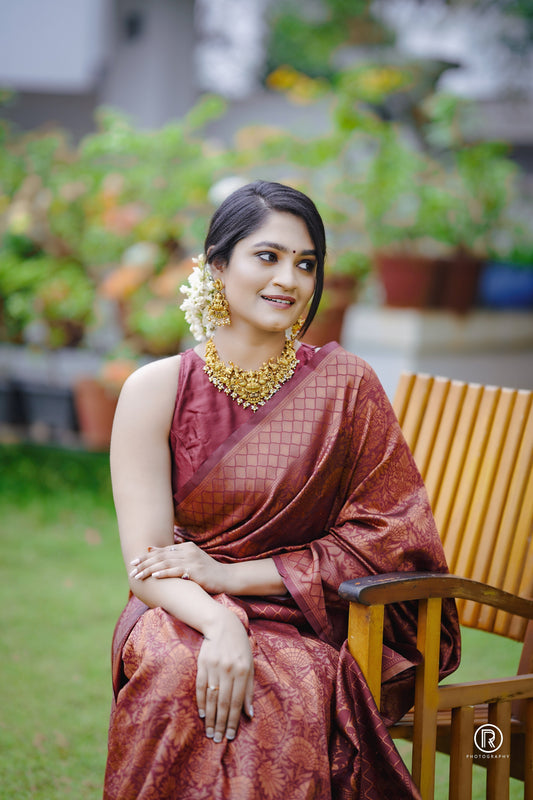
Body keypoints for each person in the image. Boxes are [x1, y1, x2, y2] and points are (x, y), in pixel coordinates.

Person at [103, 180, 460, 800]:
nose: (288, 280)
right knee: (175, 667)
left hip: (309, 616)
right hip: (182, 603)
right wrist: (220, 623)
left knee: (283, 685)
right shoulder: (155, 390)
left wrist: (232, 576)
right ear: (218, 264)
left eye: (305, 263)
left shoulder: (346, 386)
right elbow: (148, 565)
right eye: (266, 256)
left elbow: (392, 539)